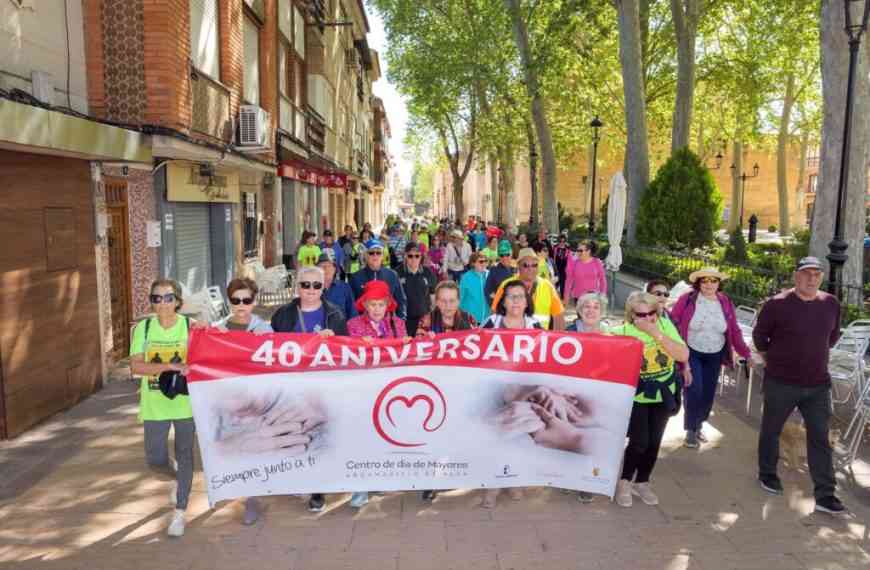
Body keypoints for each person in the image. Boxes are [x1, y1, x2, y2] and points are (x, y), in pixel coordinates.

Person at [752, 257, 846, 515]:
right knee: (771, 430)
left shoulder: (831, 304)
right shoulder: (777, 304)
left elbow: (833, 336)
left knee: (820, 438)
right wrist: (774, 359)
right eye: (806, 273)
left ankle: (826, 494)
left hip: (818, 385)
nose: (812, 278)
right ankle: (767, 474)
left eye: (817, 274)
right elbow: (760, 336)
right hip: (781, 382)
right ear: (796, 276)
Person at [270, 265, 348, 513]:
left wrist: (333, 340)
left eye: (316, 285)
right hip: (292, 385)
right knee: (295, 433)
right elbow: (268, 346)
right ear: (298, 286)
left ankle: (317, 489)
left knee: (317, 435)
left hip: (323, 386)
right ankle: (298, 476)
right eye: (305, 285)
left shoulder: (335, 315)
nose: (311, 290)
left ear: (323, 286)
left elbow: (346, 351)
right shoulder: (282, 315)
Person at [129, 279, 197, 537]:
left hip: (184, 403)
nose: (162, 303)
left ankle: (180, 511)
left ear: (178, 301)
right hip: (154, 404)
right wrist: (170, 367)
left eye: (168, 298)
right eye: (156, 298)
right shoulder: (143, 329)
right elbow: (137, 367)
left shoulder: (191, 327)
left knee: (186, 454)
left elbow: (207, 357)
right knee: (155, 459)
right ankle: (176, 476)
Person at [609, 291, 689, 508]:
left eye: (652, 313)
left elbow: (683, 355)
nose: (647, 318)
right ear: (631, 315)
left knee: (654, 442)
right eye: (641, 315)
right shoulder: (621, 332)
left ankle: (642, 482)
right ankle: (624, 482)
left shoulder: (664, 325)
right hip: (637, 396)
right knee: (639, 441)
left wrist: (655, 333)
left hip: (663, 392)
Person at [210, 278, 273, 525]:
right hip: (226, 400)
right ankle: (230, 487)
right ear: (229, 301)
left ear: (254, 302)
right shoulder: (218, 329)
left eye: (246, 300)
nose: (241, 305)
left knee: (253, 448)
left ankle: (252, 500)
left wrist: (263, 340)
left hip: (255, 400)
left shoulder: (264, 329)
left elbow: (276, 361)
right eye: (236, 300)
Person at [670, 267, 751, 449]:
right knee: (694, 388)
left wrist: (746, 352)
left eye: (713, 280)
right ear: (698, 283)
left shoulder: (725, 302)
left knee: (707, 393)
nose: (709, 284)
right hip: (691, 351)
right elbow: (673, 322)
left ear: (718, 283)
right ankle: (690, 429)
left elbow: (734, 329)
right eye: (704, 280)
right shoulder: (688, 299)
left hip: (715, 353)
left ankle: (699, 424)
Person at [479, 281, 541, 508]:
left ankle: (514, 479)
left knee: (517, 436)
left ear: (527, 301)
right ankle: (492, 486)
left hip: (523, 390)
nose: (515, 301)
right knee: (495, 436)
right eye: (511, 296)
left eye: (520, 296)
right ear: (503, 301)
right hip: (494, 389)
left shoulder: (535, 324)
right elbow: (476, 349)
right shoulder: (492, 322)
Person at [346, 280, 409, 508]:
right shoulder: (353, 324)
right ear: (365, 305)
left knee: (387, 434)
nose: (376, 309)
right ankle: (360, 487)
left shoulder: (399, 325)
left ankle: (382, 477)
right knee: (362, 436)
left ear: (387, 305)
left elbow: (406, 352)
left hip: (391, 388)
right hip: (363, 389)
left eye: (380, 304)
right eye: (372, 304)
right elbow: (350, 351)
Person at [490, 248, 565, 330]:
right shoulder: (506, 285)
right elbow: (495, 314)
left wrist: (555, 340)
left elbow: (558, 316)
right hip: (513, 340)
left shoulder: (547, 286)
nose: (530, 268)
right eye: (525, 265)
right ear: (518, 266)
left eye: (534, 265)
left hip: (540, 341)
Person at [349, 239, 407, 319]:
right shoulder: (355, 277)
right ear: (365, 255)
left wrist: (401, 320)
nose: (375, 256)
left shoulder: (392, 275)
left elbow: (401, 300)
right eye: (371, 253)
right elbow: (351, 305)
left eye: (378, 253)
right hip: (363, 326)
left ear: (382, 256)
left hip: (388, 325)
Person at [396, 242, 437, 336]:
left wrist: (432, 316)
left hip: (423, 321)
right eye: (410, 256)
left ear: (421, 256)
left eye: (417, 256)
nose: (414, 259)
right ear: (405, 256)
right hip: (404, 320)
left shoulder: (428, 272)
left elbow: (433, 296)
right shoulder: (396, 273)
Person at [563, 240, 607, 306]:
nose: (578, 252)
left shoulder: (597, 262)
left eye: (580, 250)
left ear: (588, 251)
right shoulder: (574, 263)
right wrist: (566, 296)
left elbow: (602, 280)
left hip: (593, 298)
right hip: (579, 298)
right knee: (581, 316)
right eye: (577, 250)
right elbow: (569, 280)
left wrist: (603, 294)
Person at [318, 252, 357, 320]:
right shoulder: (310, 288)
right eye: (322, 266)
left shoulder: (345, 287)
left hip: (341, 329)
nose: (326, 269)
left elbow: (352, 313)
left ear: (335, 269)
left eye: (329, 266)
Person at [459, 252, 491, 324]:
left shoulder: (489, 275)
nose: (484, 264)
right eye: (481, 261)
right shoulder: (466, 277)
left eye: (486, 261)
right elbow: (460, 297)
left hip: (487, 318)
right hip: (471, 319)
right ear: (473, 263)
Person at [485, 240, 516, 304]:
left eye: (507, 254)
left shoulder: (517, 267)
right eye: (502, 255)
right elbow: (488, 291)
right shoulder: (494, 270)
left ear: (511, 253)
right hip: (502, 308)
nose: (504, 258)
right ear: (499, 256)